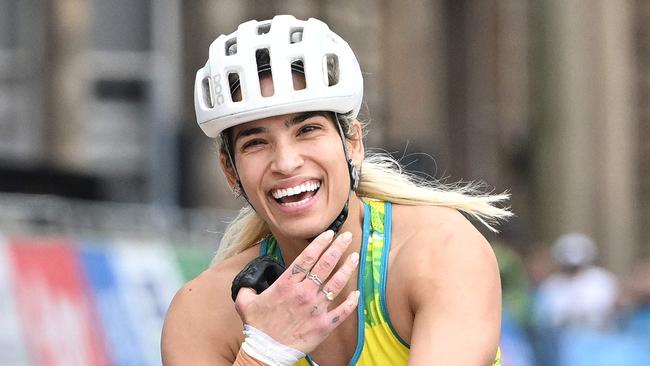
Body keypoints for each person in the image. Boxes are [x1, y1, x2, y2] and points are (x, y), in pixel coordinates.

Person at [161, 15, 511, 366]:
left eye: (308, 129)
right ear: (230, 170)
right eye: (256, 143)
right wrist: (262, 353)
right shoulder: (201, 313)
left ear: (353, 144)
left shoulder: (440, 250)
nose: (285, 162)